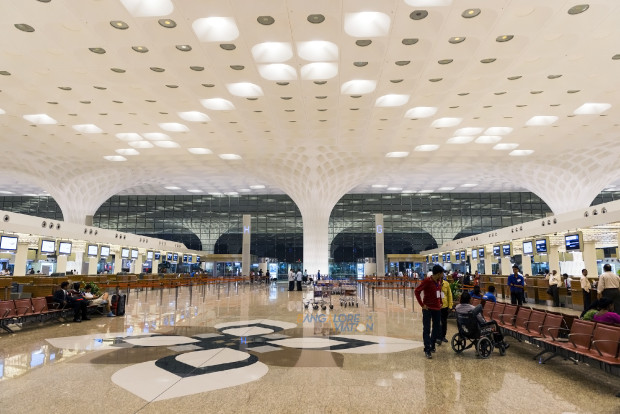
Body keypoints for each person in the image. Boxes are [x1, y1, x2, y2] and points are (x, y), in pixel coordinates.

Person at [414, 264, 443, 359]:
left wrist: (441, 302)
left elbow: (439, 292)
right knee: (426, 329)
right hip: (428, 309)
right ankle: (427, 349)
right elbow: (417, 291)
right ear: (438, 274)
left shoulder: (439, 281)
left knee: (436, 328)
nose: (442, 275)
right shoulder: (427, 281)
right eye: (442, 273)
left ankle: (432, 345)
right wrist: (422, 305)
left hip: (437, 308)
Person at [439, 274, 453, 344]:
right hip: (437, 307)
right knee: (437, 322)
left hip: (445, 306)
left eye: (441, 278)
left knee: (444, 322)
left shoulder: (446, 284)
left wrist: (450, 306)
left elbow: (450, 295)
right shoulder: (436, 284)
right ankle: (437, 336)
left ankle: (443, 336)